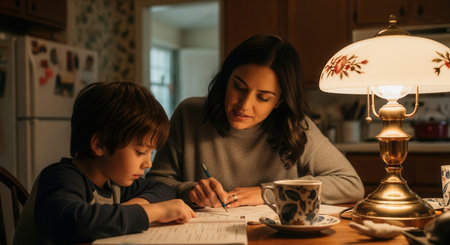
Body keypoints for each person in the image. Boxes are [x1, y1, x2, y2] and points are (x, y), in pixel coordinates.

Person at [147, 34, 364, 209]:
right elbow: (155, 182)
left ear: (279, 101)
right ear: (226, 80)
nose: (244, 105)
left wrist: (269, 192)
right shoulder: (189, 114)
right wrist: (188, 190)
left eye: (263, 97)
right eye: (239, 88)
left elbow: (350, 184)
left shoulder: (295, 126)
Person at [13, 81, 196, 244]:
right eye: (140, 152)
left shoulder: (113, 182)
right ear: (99, 144)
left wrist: (137, 204)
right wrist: (155, 212)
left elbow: (163, 188)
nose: (147, 163)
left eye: (150, 153)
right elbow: (74, 222)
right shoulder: (61, 177)